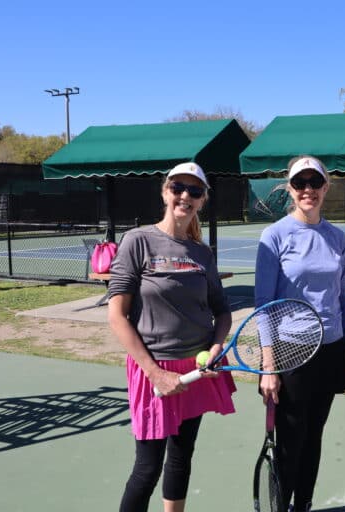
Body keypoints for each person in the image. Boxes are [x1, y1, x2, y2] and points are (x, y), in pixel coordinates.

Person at [107, 162, 237, 512]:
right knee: (147, 467)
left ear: (203, 199)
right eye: (179, 188)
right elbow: (117, 316)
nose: (185, 196)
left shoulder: (202, 253)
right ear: (165, 191)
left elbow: (221, 311)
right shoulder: (138, 241)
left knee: (181, 456)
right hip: (154, 368)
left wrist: (215, 347)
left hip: (196, 366)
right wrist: (155, 372)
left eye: (195, 191)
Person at [255, 155, 345, 512]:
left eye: (315, 183)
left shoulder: (336, 237)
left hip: (330, 349)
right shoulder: (275, 235)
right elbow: (263, 304)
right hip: (290, 352)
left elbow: (343, 299)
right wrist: (269, 366)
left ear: (326, 187)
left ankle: (304, 506)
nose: (308, 190)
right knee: (290, 441)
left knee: (314, 437)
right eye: (300, 184)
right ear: (291, 189)